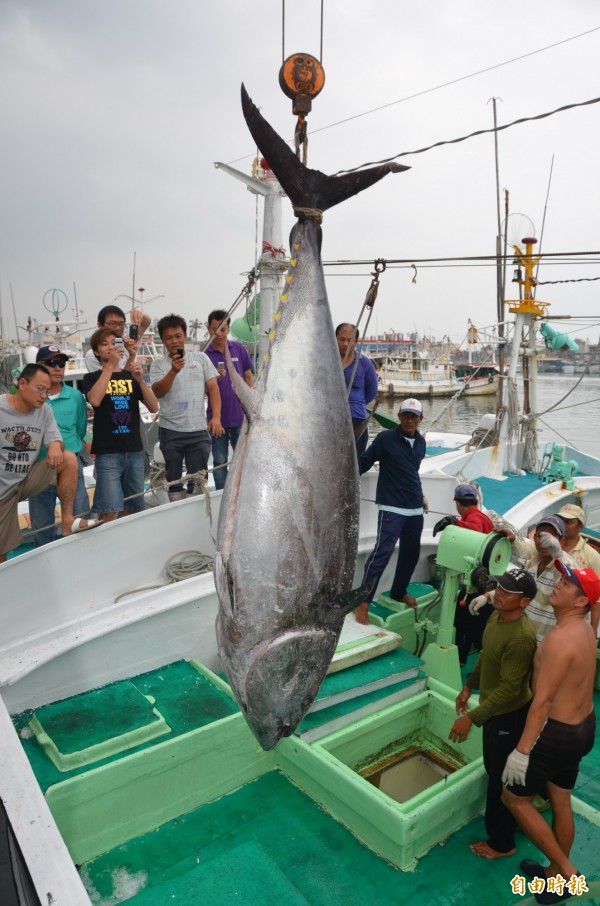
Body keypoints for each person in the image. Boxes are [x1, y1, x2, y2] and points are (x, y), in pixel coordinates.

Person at [501, 563, 600, 903]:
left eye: (567, 583)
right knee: (560, 800)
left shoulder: (559, 639)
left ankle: (568, 873)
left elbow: (541, 703)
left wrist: (522, 752)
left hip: (556, 733)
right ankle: (553, 876)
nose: (558, 584)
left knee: (513, 798)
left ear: (582, 600)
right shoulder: (587, 628)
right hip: (583, 727)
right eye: (560, 578)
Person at [449, 567, 538, 860]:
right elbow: (486, 655)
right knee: (497, 772)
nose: (497, 594)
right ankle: (518, 818)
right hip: (494, 707)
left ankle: (502, 842)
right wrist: (467, 687)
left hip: (509, 715)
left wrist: (471, 718)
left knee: (499, 777)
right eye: (498, 587)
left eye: (506, 592)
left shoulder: (522, 637)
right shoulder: (495, 618)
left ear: (524, 601)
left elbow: (510, 689)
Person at [355, 398, 426, 624]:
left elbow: (412, 472)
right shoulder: (386, 438)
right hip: (391, 507)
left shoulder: (422, 442)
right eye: (405, 415)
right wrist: (345, 475)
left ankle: (398, 591)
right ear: (399, 416)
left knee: (410, 553)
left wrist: (422, 496)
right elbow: (364, 462)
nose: (409, 420)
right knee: (381, 554)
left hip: (415, 507)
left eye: (414, 416)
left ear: (420, 419)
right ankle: (363, 601)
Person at [0, 364, 79, 562]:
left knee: (68, 458)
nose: (44, 395)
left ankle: (67, 521)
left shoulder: (44, 411)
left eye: (47, 390)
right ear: (22, 384)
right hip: (2, 488)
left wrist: (54, 445)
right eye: (39, 389)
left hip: (25, 479)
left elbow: (56, 440)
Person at [82, 328, 158, 521]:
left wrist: (141, 381)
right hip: (108, 453)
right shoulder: (91, 378)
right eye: (104, 344)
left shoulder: (130, 376)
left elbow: (153, 406)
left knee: (133, 507)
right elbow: (95, 400)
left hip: (134, 451)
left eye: (113, 343)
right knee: (109, 509)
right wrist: (110, 367)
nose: (110, 347)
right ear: (97, 352)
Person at [150, 314, 224, 501]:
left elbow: (214, 388)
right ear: (163, 340)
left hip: (198, 429)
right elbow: (158, 391)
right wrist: (173, 371)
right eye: (169, 338)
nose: (174, 341)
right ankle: (177, 514)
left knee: (198, 479)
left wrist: (216, 417)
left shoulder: (201, 358)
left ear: (185, 336)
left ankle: (197, 517)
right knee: (173, 479)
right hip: (170, 431)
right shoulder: (158, 364)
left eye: (178, 336)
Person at [28, 345, 96, 544]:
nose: (58, 367)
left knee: (80, 517)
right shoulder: (32, 398)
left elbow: (80, 430)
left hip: (71, 467)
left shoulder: (75, 396)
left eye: (61, 363)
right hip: (40, 470)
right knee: (42, 527)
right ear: (39, 367)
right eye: (51, 363)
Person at [433, 483, 495, 665]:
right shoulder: (483, 517)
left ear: (457, 503)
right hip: (485, 578)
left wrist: (454, 522)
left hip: (477, 582)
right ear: (475, 500)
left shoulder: (473, 518)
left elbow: (474, 531)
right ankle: (474, 652)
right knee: (477, 620)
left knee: (463, 620)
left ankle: (460, 660)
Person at [203, 308, 254, 490]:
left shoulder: (239, 348)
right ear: (208, 328)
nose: (219, 333)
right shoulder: (204, 354)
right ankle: (220, 496)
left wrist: (253, 404)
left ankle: (244, 492)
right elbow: (201, 388)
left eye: (223, 329)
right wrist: (213, 377)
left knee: (243, 459)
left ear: (228, 329)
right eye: (215, 329)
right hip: (217, 420)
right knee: (219, 461)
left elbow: (248, 377)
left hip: (241, 417)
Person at [503, 515, 568, 644]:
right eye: (540, 535)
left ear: (562, 542)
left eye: (551, 537)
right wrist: (488, 596)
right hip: (523, 641)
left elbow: (573, 576)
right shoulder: (532, 564)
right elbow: (519, 592)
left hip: (545, 646)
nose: (543, 541)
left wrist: (559, 554)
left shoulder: (563, 570)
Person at [335, 323, 379, 456]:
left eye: (350, 340)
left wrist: (355, 404)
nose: (345, 344)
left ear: (356, 342)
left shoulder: (364, 363)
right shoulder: (326, 362)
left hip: (357, 420)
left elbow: (372, 391)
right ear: (334, 338)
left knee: (355, 464)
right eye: (342, 339)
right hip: (331, 420)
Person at [557, 503, 600, 631]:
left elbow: (597, 597)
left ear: (580, 526)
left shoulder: (592, 556)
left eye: (568, 522)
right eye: (561, 521)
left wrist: (592, 629)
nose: (563, 526)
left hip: (572, 622)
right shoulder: (549, 546)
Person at [84, 305, 151, 373]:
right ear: (100, 325)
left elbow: (145, 322)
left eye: (121, 324)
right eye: (112, 323)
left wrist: (140, 314)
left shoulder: (127, 341)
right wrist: (131, 356)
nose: (118, 328)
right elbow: (116, 380)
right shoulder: (92, 355)